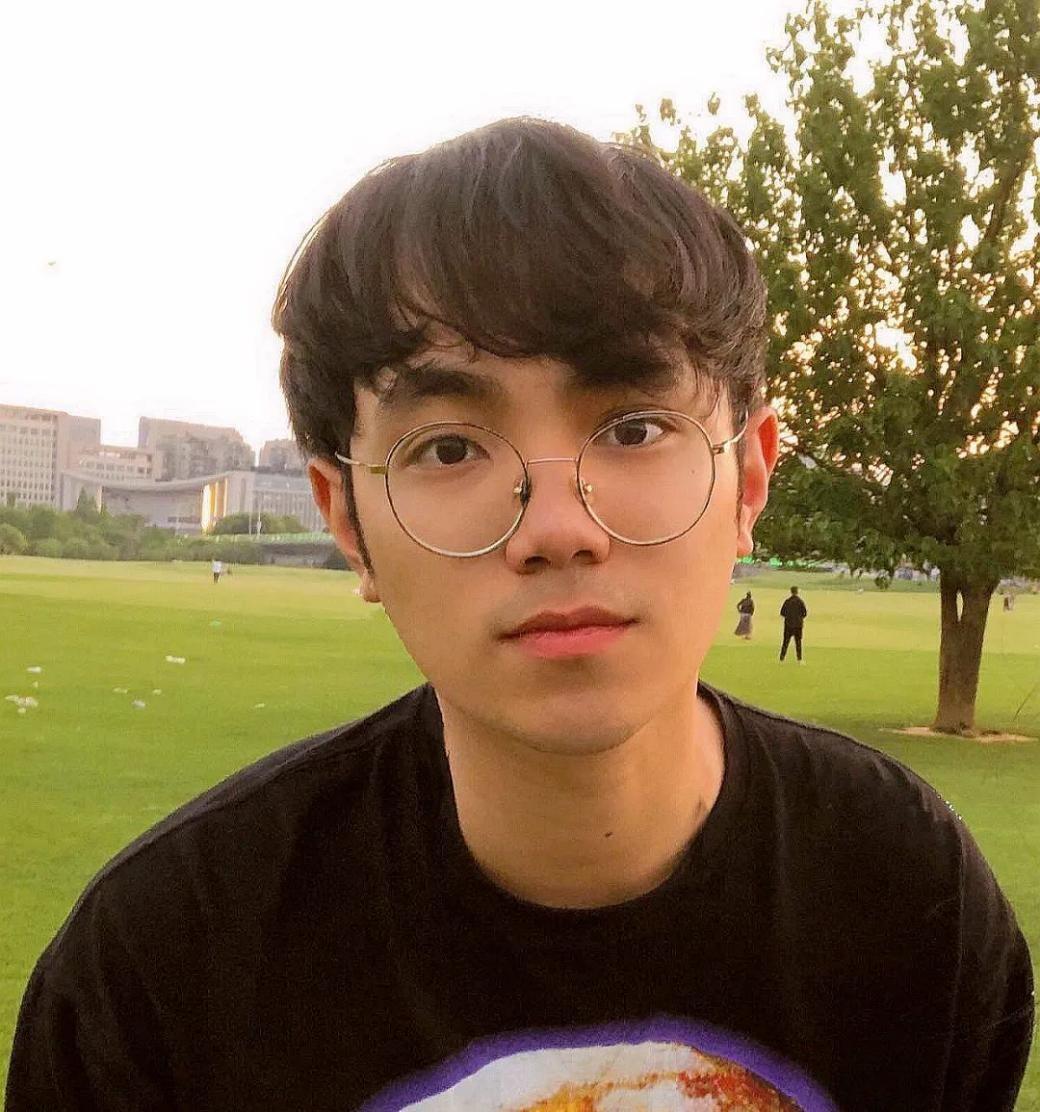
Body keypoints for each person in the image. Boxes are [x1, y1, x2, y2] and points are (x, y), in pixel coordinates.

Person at [7, 120, 1033, 1112]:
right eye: (449, 448)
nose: (556, 528)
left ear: (749, 480)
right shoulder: (160, 977)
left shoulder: (912, 904)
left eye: (633, 428)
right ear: (347, 519)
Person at [779, 585, 808, 662]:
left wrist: (788, 616)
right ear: (797, 592)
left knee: (785, 642)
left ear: (791, 592)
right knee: (798, 643)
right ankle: (799, 659)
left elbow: (782, 613)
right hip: (798, 625)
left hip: (788, 625)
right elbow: (804, 613)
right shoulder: (800, 602)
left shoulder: (787, 601)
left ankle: (782, 658)